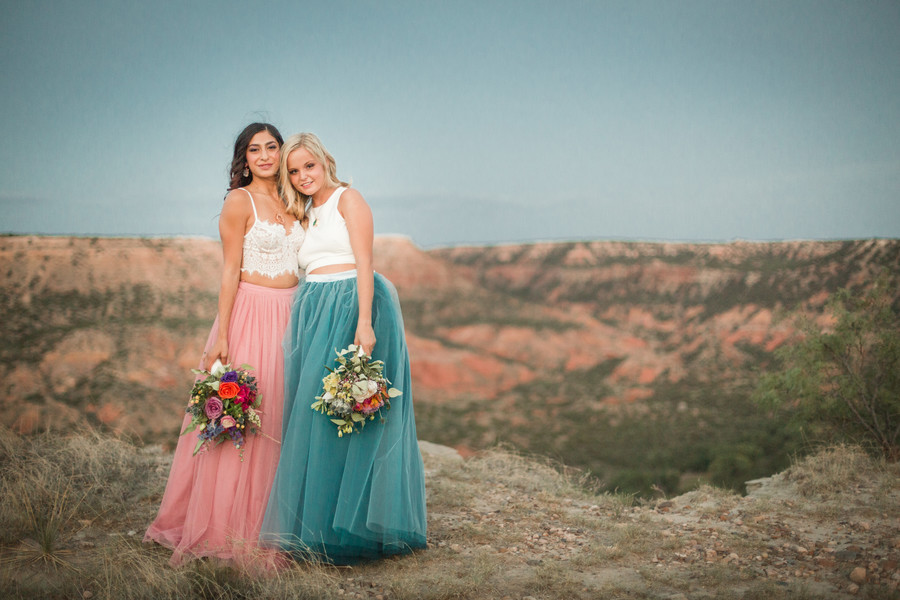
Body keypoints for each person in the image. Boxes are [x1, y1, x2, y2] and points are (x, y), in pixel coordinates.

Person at [260, 133, 426, 564]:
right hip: (314, 309)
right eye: (292, 172)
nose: (302, 177)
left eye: (308, 167)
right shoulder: (304, 211)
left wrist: (365, 324)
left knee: (354, 411)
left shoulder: (348, 199)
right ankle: (316, 528)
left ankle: (359, 530)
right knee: (317, 414)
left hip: (354, 304)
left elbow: (364, 263)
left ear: (324, 162)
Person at [144, 123, 305, 569]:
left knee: (281, 415)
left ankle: (276, 524)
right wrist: (223, 336)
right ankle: (227, 527)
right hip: (251, 314)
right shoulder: (239, 201)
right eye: (255, 149)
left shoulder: (296, 200)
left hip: (293, 316)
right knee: (245, 418)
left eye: (272, 147)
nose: (266, 156)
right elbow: (229, 270)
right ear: (245, 157)